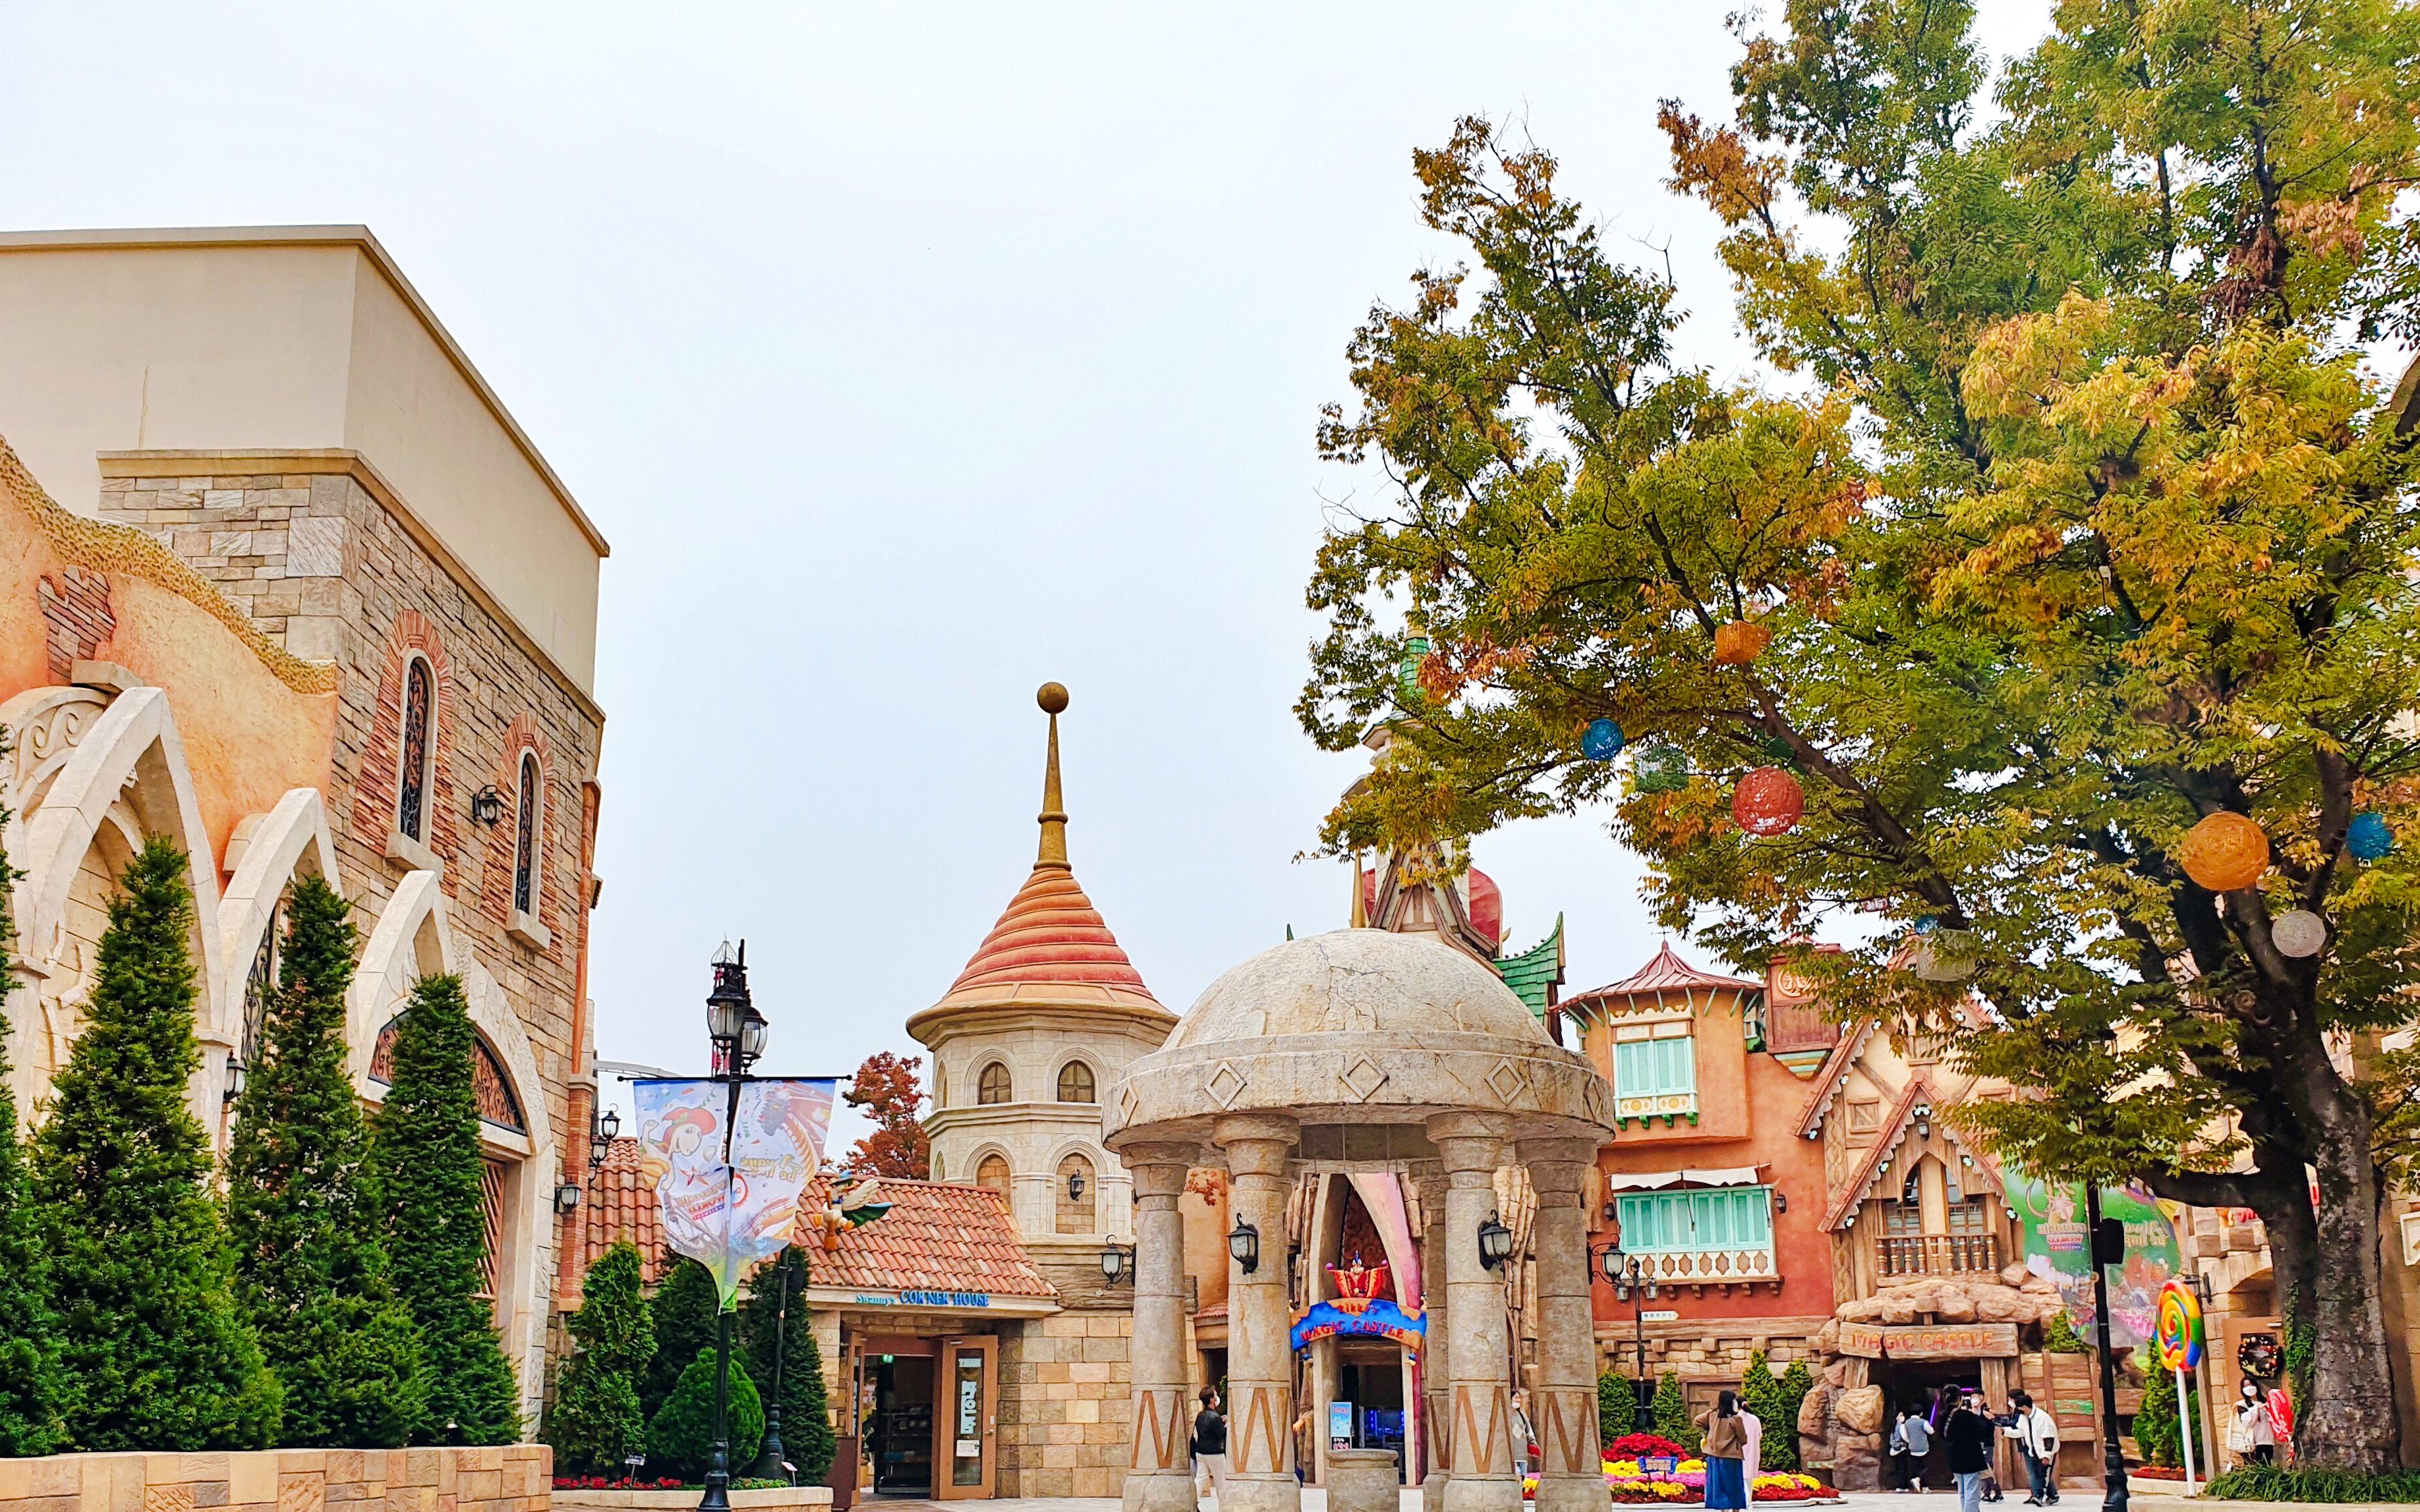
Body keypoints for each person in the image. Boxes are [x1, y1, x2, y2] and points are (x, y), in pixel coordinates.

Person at [2003, 1390, 2060, 1505]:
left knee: (2044, 1474)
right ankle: (2052, 1496)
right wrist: (2006, 1432)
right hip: (2033, 1450)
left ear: (2025, 1407)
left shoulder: (2042, 1417)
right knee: (2038, 1473)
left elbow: (2049, 1438)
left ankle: (2039, 1497)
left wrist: (2046, 1456)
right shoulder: (2025, 1417)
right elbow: (2021, 1431)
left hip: (2046, 1451)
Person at [1945, 1389, 1998, 1512]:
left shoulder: (1944, 1415)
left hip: (1954, 1456)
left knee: (1963, 1491)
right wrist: (1987, 1420)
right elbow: (1983, 1431)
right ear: (1960, 1399)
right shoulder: (1965, 1415)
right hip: (1970, 1457)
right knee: (1972, 1490)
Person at [1699, 1390, 1749, 1511]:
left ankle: (1723, 1509)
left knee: (1718, 1485)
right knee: (1734, 1485)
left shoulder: (1711, 1415)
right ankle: (1735, 1509)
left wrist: (1708, 1435)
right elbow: (1743, 1439)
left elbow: (1697, 1421)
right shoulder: (1735, 1420)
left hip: (1714, 1456)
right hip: (1731, 1457)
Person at [1192, 1386, 1228, 1508]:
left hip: (1201, 1452)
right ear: (1212, 1400)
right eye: (1216, 1395)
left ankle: (1192, 1503)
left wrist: (1220, 1422)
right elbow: (1221, 1434)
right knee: (1221, 1482)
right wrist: (1225, 1425)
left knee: (1200, 1479)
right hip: (1215, 1454)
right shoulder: (1215, 1417)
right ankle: (1224, 1507)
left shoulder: (1200, 1415)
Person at [1897, 1401, 1935, 1492]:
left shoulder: (1906, 1423)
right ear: (1921, 1413)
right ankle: (1920, 1481)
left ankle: (1923, 1486)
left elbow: (1905, 1436)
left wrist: (1910, 1442)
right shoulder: (1923, 1422)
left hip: (1912, 1448)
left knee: (1916, 1467)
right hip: (1923, 1448)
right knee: (1926, 1467)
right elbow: (1931, 1431)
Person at [2236, 1381, 2276, 1467]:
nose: (2250, 1387)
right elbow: (2249, 1422)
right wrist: (2255, 1409)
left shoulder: (2264, 1402)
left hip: (2268, 1439)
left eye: (2251, 1384)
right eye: (2246, 1385)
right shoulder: (2243, 1405)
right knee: (2258, 1466)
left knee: (2268, 1465)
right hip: (2255, 1442)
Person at [1741, 1397, 1764, 1504]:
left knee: (1741, 1475)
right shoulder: (1755, 1419)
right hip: (1753, 1450)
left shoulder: (1736, 1418)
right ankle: (1748, 1499)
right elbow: (1760, 1435)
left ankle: (1745, 1499)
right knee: (1749, 1477)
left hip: (1739, 1450)